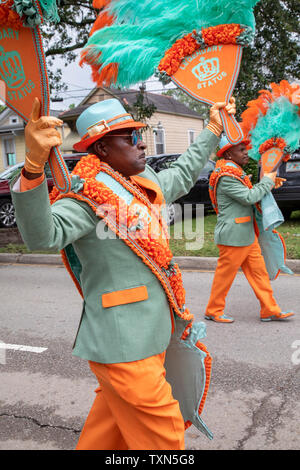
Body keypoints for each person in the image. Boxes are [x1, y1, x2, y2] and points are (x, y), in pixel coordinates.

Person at [11, 97, 235, 450]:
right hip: (123, 345)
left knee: (107, 433)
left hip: (152, 332)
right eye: (129, 137)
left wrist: (212, 129)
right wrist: (33, 169)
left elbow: (179, 174)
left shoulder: (138, 179)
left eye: (138, 134)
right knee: (165, 435)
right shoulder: (83, 194)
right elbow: (43, 236)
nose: (142, 142)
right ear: (101, 147)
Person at [204, 135, 295, 323]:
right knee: (225, 277)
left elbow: (249, 194)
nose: (247, 153)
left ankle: (269, 309)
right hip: (233, 236)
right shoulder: (227, 176)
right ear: (228, 154)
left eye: (246, 149)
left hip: (245, 233)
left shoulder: (233, 172)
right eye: (242, 150)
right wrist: (267, 181)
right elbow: (248, 197)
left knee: (259, 273)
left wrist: (267, 182)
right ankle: (213, 310)